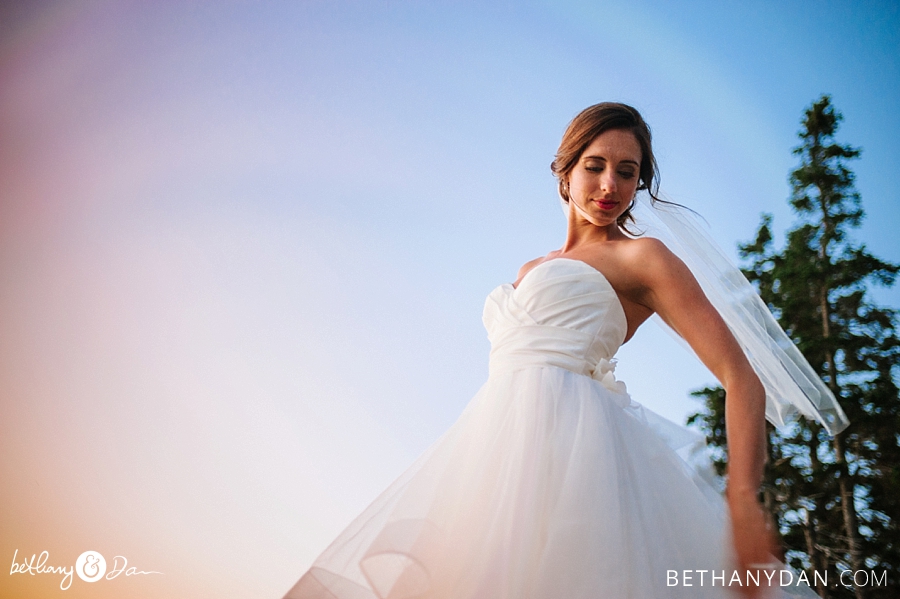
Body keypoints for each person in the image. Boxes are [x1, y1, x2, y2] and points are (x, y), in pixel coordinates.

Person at [282, 103, 836, 598]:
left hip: (586, 459)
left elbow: (741, 376)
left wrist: (742, 502)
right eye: (595, 165)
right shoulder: (531, 270)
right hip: (493, 461)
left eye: (628, 171)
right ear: (564, 171)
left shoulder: (643, 259)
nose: (609, 185)